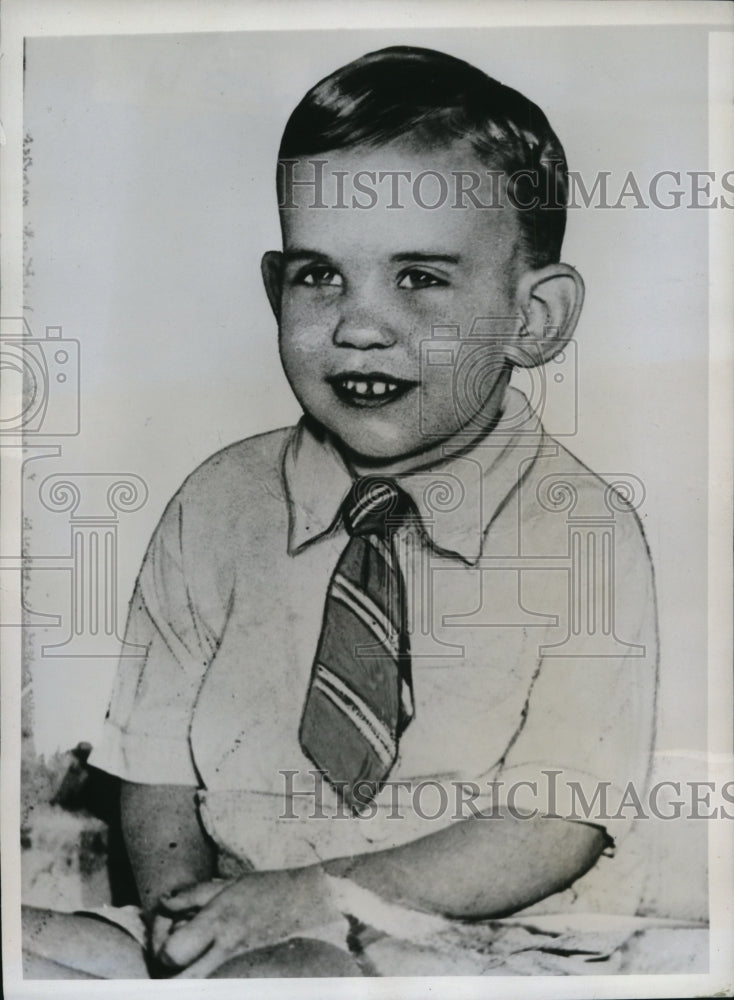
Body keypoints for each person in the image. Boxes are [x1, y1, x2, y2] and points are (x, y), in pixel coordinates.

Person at [22, 45, 657, 979]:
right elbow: (155, 768)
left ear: (535, 317)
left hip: (471, 942)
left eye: (420, 279)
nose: (359, 324)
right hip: (241, 919)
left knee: (293, 980)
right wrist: (179, 927)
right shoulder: (216, 505)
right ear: (276, 288)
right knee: (33, 945)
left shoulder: (582, 530)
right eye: (322, 276)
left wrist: (315, 903)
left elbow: (553, 824)